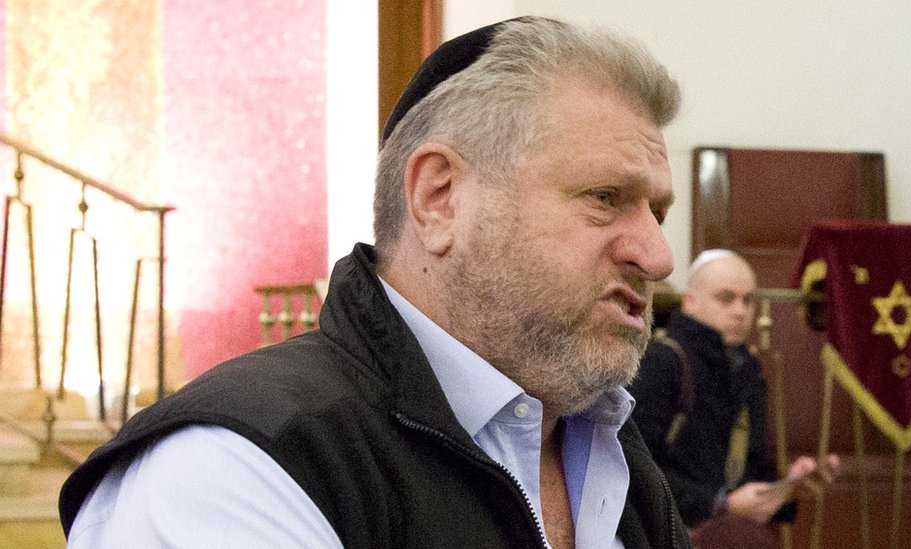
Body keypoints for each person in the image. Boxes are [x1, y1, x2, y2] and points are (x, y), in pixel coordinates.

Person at [59, 16, 691, 548]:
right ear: (439, 198)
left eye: (657, 214)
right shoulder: (237, 467)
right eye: (604, 197)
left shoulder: (616, 459)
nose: (658, 257)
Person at [629, 250, 838, 536]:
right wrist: (719, 504)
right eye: (726, 298)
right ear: (690, 301)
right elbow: (632, 468)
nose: (740, 311)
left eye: (748, 300)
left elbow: (748, 470)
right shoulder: (662, 361)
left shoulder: (748, 369)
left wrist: (786, 487)